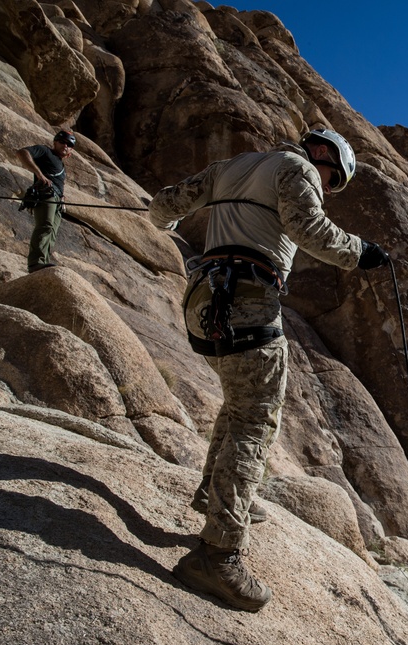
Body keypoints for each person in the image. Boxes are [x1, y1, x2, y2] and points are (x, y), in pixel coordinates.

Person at [148, 128, 390, 611]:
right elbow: (309, 228)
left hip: (204, 298)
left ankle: (213, 496)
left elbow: (162, 207)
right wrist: (361, 253)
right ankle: (219, 554)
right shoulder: (296, 169)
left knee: (240, 405)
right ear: (324, 157)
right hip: (247, 301)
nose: (326, 188)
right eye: (332, 180)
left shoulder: (228, 167)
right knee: (256, 417)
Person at [16, 130, 76, 272]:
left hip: (57, 199)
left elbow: (58, 181)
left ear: (71, 150)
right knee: (45, 225)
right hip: (45, 195)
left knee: (52, 231)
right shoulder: (44, 151)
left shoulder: (61, 165)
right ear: (55, 142)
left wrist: (62, 197)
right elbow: (22, 153)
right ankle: (36, 263)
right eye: (62, 142)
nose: (65, 145)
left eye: (69, 144)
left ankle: (43, 261)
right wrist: (39, 174)